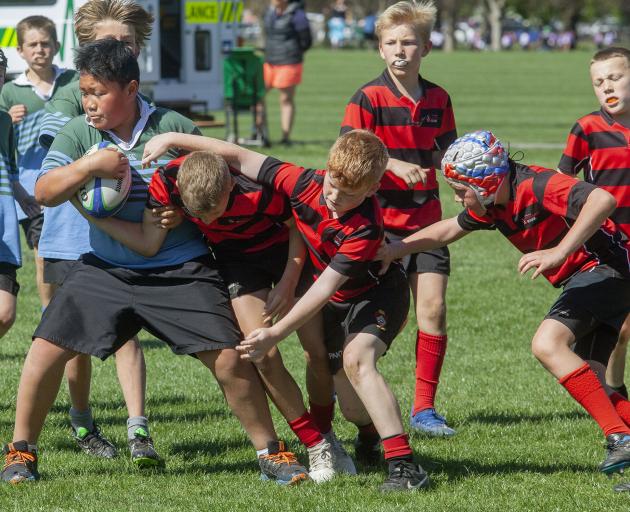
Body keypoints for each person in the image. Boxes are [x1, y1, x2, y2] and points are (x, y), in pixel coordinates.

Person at [1, 39, 309, 486]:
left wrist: (184, 209)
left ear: (130, 88)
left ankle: (270, 451)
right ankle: (21, 452)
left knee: (229, 358)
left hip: (180, 268)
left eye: (98, 92)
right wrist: (90, 168)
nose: (89, 102)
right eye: (85, 91)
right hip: (104, 267)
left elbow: (220, 183)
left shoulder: (172, 126)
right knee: (45, 350)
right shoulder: (79, 133)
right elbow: (46, 192)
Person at [142, 130, 430, 492]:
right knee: (269, 355)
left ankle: (370, 445)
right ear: (327, 169)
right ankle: (323, 442)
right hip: (253, 270)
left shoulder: (364, 228)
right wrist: (171, 137)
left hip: (362, 292)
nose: (335, 198)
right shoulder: (305, 182)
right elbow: (237, 152)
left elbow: (323, 288)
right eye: (333, 187)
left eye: (349, 194)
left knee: (333, 367)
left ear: (372, 191)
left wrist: (287, 289)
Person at [73, 149, 361, 482]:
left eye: (215, 211)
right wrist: (97, 214)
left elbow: (297, 227)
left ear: (228, 189)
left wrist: (287, 282)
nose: (209, 222)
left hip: (287, 257)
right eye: (200, 215)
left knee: (316, 354)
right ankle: (316, 445)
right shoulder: (168, 182)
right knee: (262, 353)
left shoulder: (255, 189)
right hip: (238, 263)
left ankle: (328, 434)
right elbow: (149, 242)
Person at [379, 130, 630, 475]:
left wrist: (559, 252)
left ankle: (619, 438)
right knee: (595, 384)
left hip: (608, 269)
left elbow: (602, 200)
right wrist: (397, 249)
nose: (457, 199)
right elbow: (449, 229)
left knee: (547, 344)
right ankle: (622, 435)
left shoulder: (537, 185)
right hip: (599, 277)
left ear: (483, 183)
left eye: (460, 191)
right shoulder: (495, 205)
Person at [35, 0, 154, 464]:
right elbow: (53, 164)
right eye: (108, 42)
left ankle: (137, 427)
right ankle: (83, 423)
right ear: (86, 45)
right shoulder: (72, 92)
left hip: (122, 235)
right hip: (70, 237)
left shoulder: (135, 93)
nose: (118, 49)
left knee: (128, 332)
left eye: (126, 42)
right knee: (71, 340)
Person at [340, 0, 457, 437]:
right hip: (378, 225)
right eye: (391, 43)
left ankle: (424, 409)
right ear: (380, 50)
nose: (399, 50)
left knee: (434, 308)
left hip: (427, 222)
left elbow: (449, 155)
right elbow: (348, 152)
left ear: (425, 48)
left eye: (408, 42)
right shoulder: (367, 98)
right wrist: (390, 164)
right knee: (368, 313)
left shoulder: (439, 98)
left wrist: (469, 180)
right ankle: (347, 378)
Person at [558, 46, 630, 399]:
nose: (607, 87)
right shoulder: (587, 128)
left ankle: (615, 385)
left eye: (615, 78)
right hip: (611, 245)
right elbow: (561, 183)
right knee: (624, 326)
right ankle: (616, 385)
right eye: (599, 82)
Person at [0, 16, 71, 310]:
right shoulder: (10, 91)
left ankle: (68, 312)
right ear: (21, 51)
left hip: (69, 181)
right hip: (32, 187)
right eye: (33, 44)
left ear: (56, 45)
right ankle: (48, 315)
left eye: (45, 43)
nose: (40, 50)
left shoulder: (71, 82)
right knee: (43, 252)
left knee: (69, 256)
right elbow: (6, 150)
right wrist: (13, 120)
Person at [0, 49, 41, 341]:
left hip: (4, 225)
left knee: (5, 313)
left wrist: (23, 195)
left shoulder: (4, 121)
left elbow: (9, 167)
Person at [263, 0, 312, 145]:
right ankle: (261, 134)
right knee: (258, 97)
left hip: (289, 62)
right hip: (269, 61)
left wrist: (293, 52)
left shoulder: (298, 15)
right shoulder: (269, 12)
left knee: (285, 99)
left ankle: (285, 137)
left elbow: (307, 40)